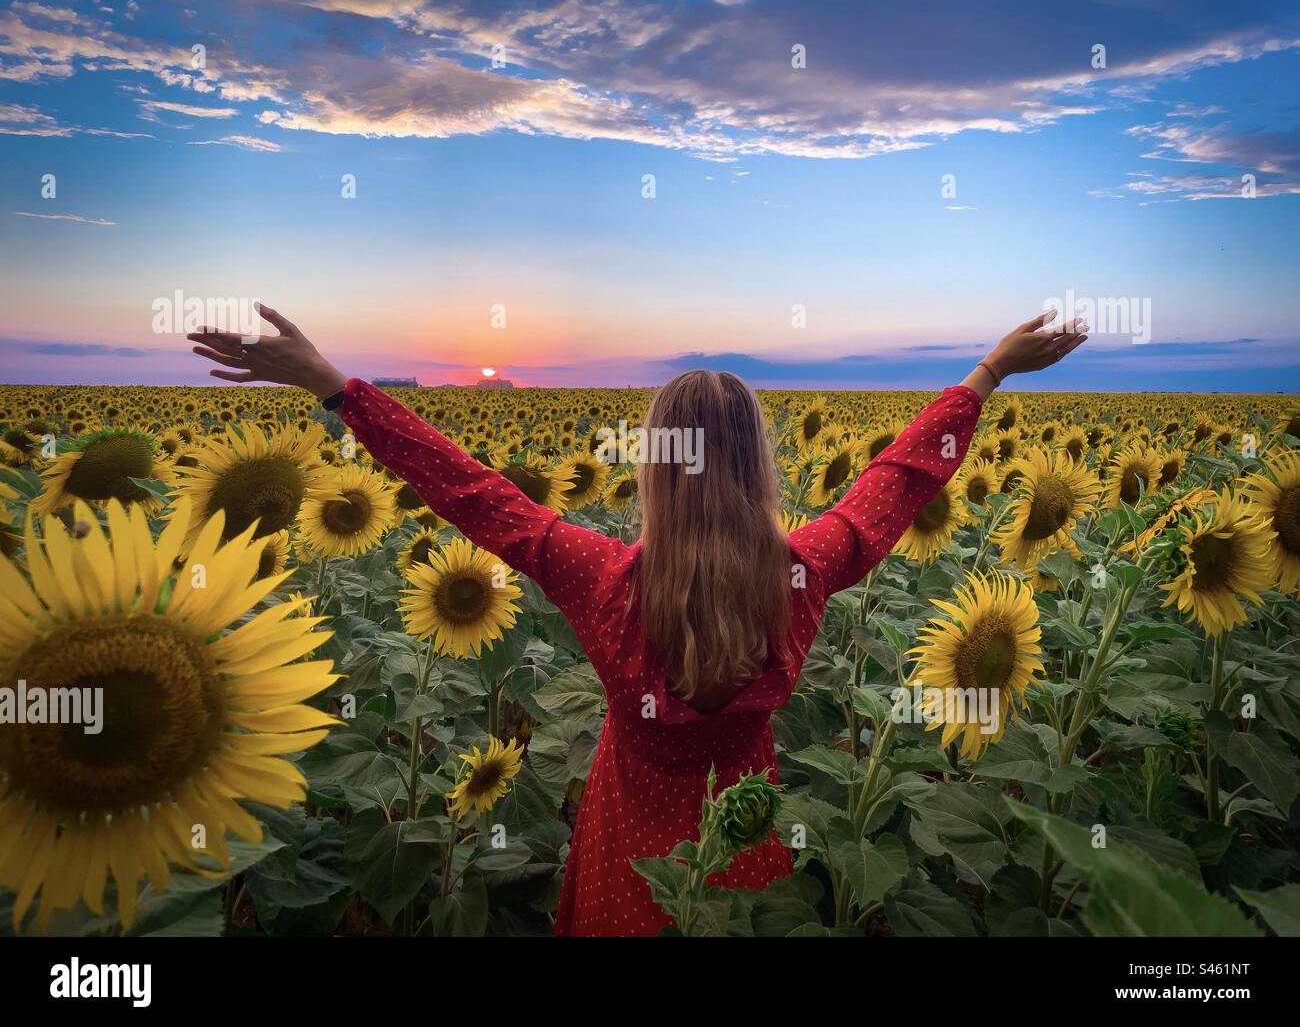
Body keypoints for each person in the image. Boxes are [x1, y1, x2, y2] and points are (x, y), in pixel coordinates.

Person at [188, 304, 1086, 936]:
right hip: (744, 858)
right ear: (757, 472)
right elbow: (893, 484)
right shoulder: (802, 575)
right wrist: (990, 371)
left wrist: (338, 388)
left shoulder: (604, 579)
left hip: (628, 858)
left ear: (657, 474)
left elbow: (470, 491)